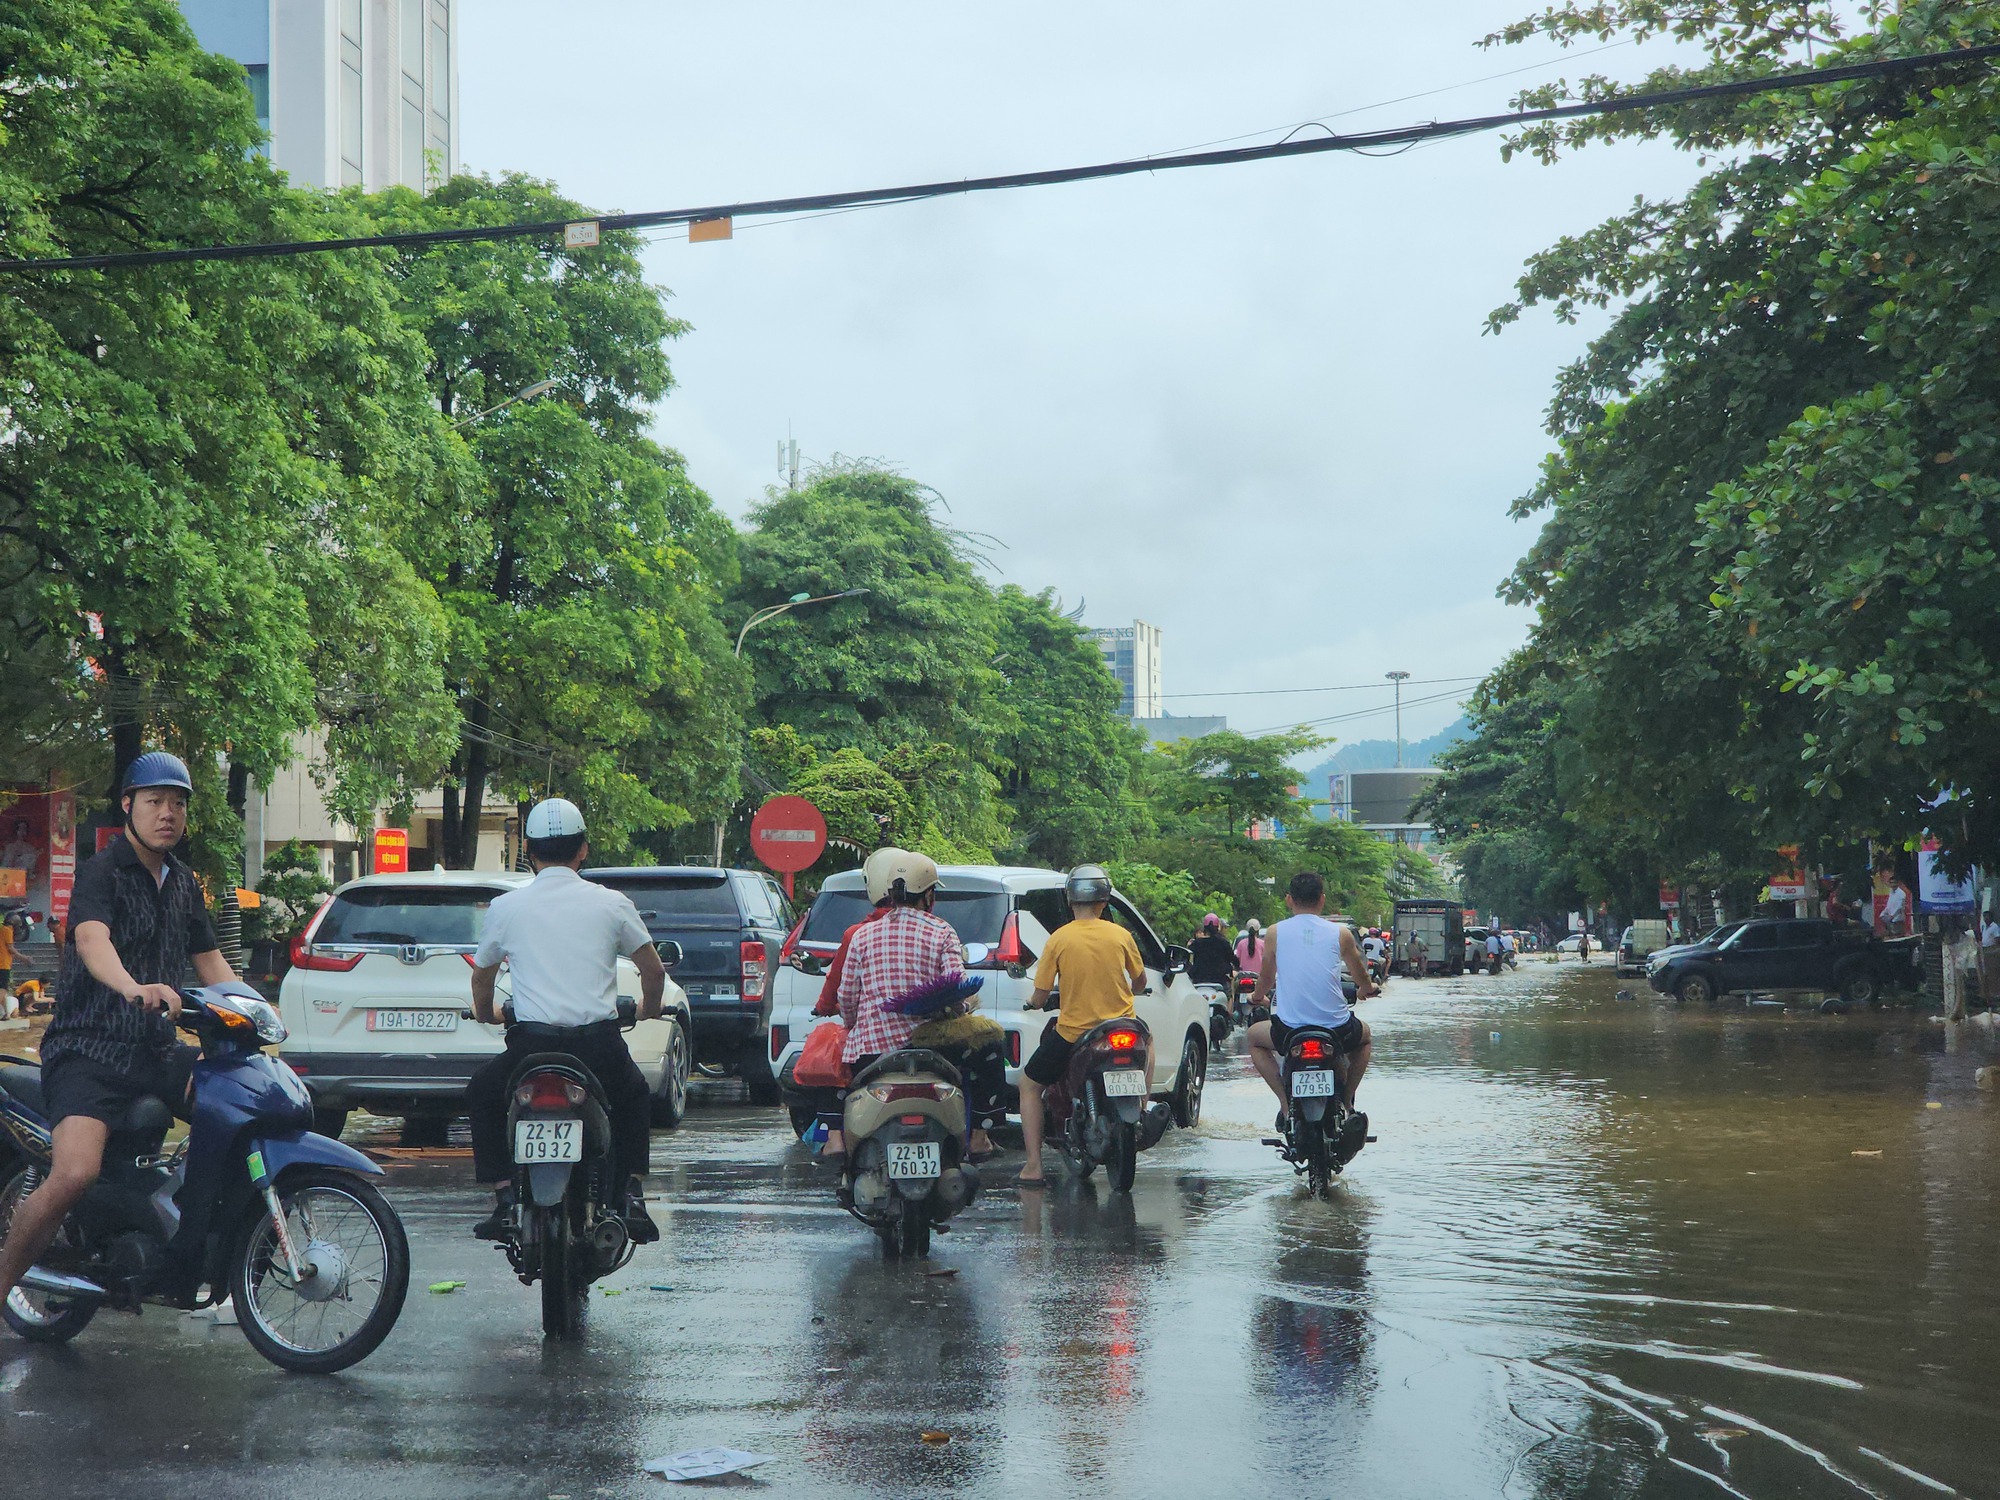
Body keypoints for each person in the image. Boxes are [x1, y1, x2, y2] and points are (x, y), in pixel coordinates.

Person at [0, 753, 237, 1310]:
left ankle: (193, 1256)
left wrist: (255, 1017)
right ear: (128, 805)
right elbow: (91, 941)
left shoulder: (183, 883)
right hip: (89, 1047)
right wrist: (133, 987)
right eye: (155, 802)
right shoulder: (102, 871)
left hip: (156, 1048)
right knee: (75, 1173)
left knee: (233, 1110)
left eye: (178, 804)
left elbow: (212, 963)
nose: (168, 814)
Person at [466, 798, 668, 1245]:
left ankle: (503, 1198)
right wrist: (650, 1009)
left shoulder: (507, 908)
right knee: (635, 1093)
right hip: (598, 1047)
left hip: (530, 1048)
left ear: (531, 853)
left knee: (482, 1091)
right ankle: (632, 1194)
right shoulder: (612, 904)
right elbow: (654, 972)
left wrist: (487, 1014)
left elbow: (482, 976)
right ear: (583, 850)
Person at [1016, 864, 1154, 1189]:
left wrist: (1034, 1003)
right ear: (1104, 901)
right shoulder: (1121, 935)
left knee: (1029, 1085)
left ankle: (1033, 1166)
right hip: (1121, 1026)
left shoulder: (1059, 939)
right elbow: (1140, 980)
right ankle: (1142, 1108)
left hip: (1074, 1033)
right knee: (1148, 1042)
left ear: (1070, 900)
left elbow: (1039, 993)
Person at [1247, 871, 1376, 1129]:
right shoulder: (1340, 934)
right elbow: (1359, 973)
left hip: (1289, 1030)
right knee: (1365, 1038)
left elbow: (1267, 976)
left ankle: (1285, 1105)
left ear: (1288, 900)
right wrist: (1367, 988)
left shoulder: (1274, 932)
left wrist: (1256, 996)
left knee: (1253, 1038)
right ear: (1322, 900)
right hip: (1337, 1029)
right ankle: (1346, 1102)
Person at [806, 847, 906, 1159]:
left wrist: (827, 1008)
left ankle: (835, 1138)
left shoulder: (857, 934)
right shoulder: (937, 929)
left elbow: (837, 992)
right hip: (928, 1037)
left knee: (831, 1054)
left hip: (872, 1043)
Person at [1188, 913, 1237, 987]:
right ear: (1217, 927)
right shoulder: (1224, 943)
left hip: (1199, 981)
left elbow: (1188, 959)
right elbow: (1232, 959)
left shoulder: (1196, 944)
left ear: (1204, 928)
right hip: (1220, 981)